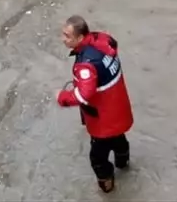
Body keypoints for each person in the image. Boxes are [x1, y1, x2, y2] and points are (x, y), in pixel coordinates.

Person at [55, 15, 134, 194]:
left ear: (80, 37)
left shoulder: (86, 65)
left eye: (67, 36)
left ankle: (108, 188)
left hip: (102, 120)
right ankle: (124, 164)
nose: (63, 39)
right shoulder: (103, 41)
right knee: (119, 139)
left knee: (97, 158)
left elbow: (83, 95)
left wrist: (62, 97)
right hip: (119, 109)